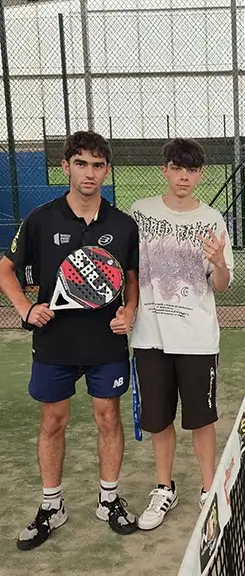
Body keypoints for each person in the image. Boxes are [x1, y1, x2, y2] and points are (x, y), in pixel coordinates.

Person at [0, 131, 140, 551]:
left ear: (107, 171)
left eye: (98, 165)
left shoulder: (122, 224)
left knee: (108, 419)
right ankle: (51, 506)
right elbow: (5, 269)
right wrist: (25, 309)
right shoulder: (40, 219)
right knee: (52, 422)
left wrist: (130, 310)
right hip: (55, 344)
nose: (90, 173)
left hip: (106, 344)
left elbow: (131, 280)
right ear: (66, 167)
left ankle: (109, 499)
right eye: (81, 163)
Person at [129, 138, 234, 530]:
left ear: (200, 175)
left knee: (201, 419)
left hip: (197, 339)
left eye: (191, 170)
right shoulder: (140, 212)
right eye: (177, 168)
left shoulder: (212, 220)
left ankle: (208, 490)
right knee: (158, 420)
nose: (184, 177)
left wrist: (219, 262)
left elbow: (221, 284)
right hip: (149, 337)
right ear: (166, 170)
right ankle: (163, 488)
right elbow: (130, 272)